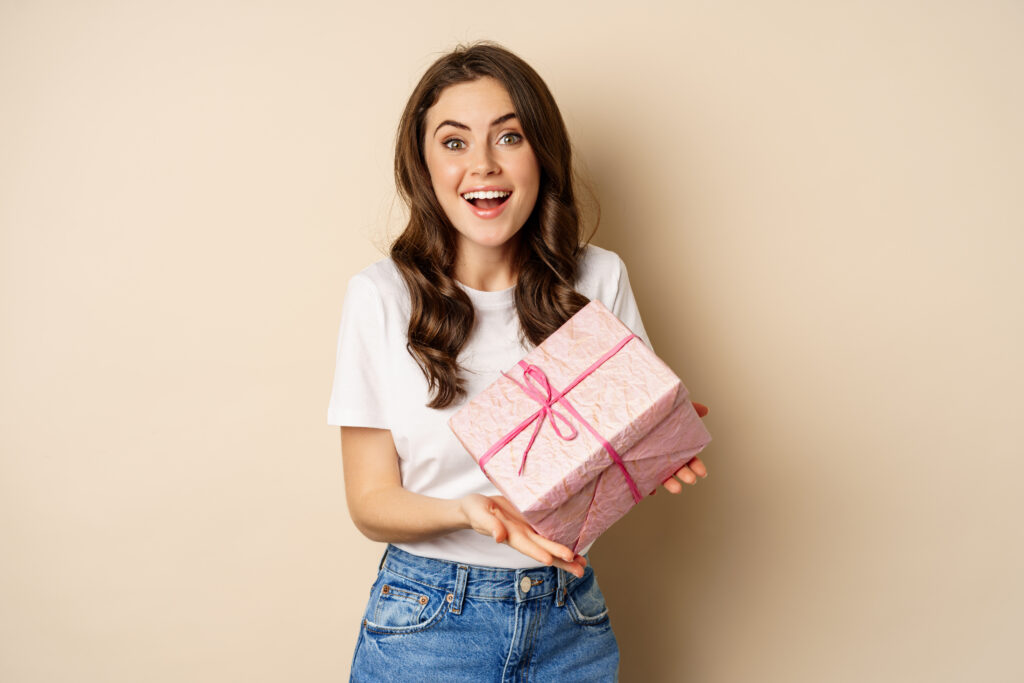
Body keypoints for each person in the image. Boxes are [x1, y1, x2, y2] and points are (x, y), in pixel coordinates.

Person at [328, 41, 708, 682]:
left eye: (509, 138)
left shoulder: (597, 279)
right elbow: (370, 501)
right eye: (453, 142)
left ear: (542, 156)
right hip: (428, 623)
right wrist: (468, 509)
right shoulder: (382, 296)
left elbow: (604, 462)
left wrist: (652, 447)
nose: (482, 165)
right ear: (422, 165)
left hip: (571, 621)